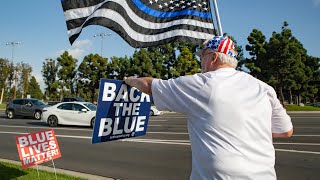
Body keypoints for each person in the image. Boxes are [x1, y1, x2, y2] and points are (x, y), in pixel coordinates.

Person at [124, 36, 293, 180]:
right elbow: (286, 131)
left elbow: (148, 86)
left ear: (213, 57)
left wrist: (129, 80)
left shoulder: (201, 84)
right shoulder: (263, 88)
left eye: (202, 55)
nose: (200, 61)